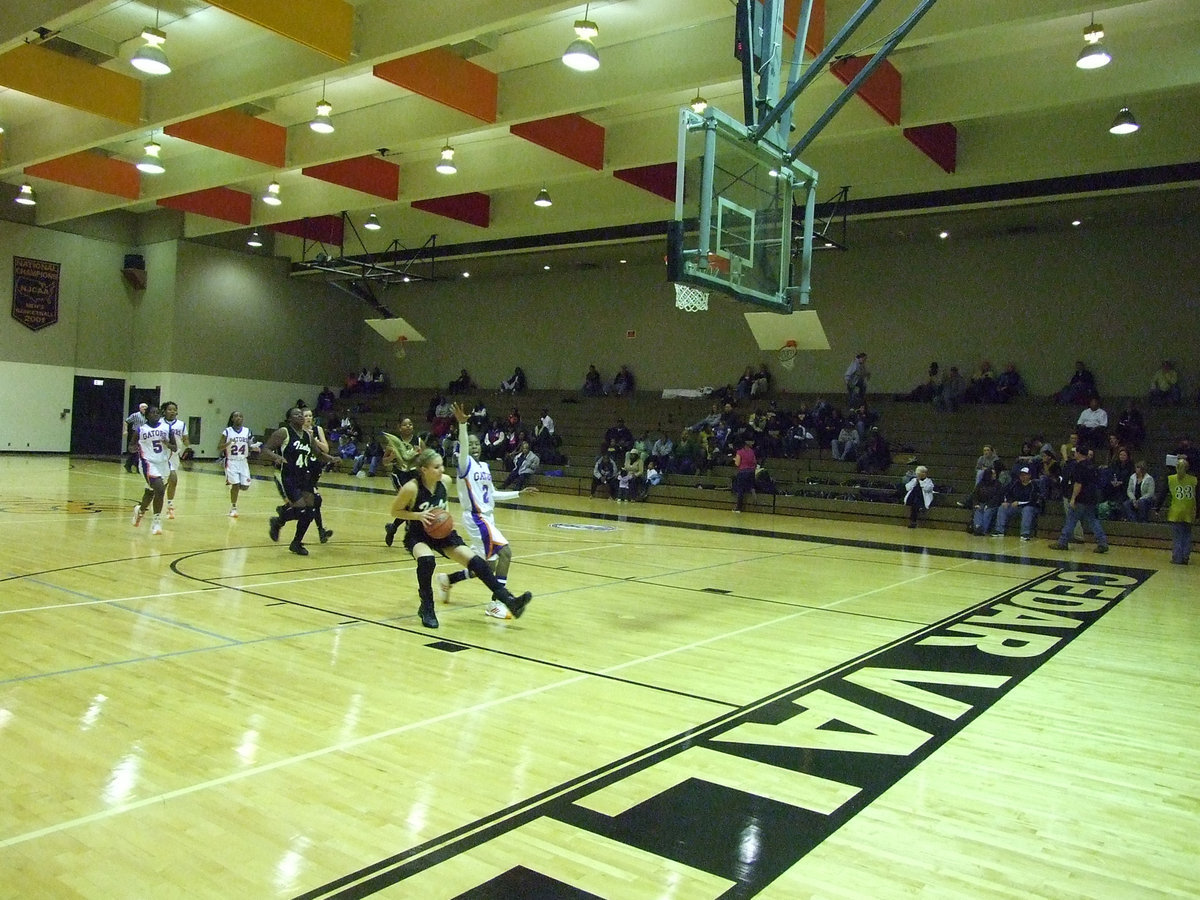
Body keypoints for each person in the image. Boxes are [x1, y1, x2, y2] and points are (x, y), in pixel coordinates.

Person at [391, 446, 532, 628]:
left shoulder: (446, 481)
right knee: (427, 561)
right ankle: (427, 606)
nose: (442, 470)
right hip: (418, 534)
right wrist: (418, 515)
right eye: (436, 467)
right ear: (424, 470)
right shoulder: (411, 488)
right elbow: (394, 511)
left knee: (477, 563)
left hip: (442, 534)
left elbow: (443, 506)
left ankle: (509, 600)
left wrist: (446, 520)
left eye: (442, 465)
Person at [434, 403, 537, 620]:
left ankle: (448, 580)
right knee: (506, 553)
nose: (473, 447)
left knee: (485, 565)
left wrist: (519, 493)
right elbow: (463, 446)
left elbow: (493, 495)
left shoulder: (485, 468)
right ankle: (496, 603)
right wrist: (463, 426)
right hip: (476, 518)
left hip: (487, 518)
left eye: (475, 444)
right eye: (469, 445)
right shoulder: (465, 465)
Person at [260, 407, 329, 556]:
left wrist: (332, 459)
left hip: (303, 476)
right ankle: (278, 521)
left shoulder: (308, 436)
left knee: (311, 509)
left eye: (301, 414)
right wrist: (276, 457)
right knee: (300, 508)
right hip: (287, 475)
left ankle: (296, 543)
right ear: (289, 419)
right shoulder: (284, 432)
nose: (300, 416)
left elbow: (318, 454)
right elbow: (265, 449)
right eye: (296, 414)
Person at [1049, 446, 1108, 553]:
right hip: (1092, 498)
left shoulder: (1079, 467)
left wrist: (1073, 499)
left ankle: (1062, 542)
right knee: (1093, 520)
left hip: (1081, 498)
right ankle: (1102, 542)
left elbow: (1078, 484)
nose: (1074, 454)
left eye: (1075, 452)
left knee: (1071, 519)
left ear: (1079, 453)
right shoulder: (1092, 466)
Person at [131, 405, 176, 535]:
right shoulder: (140, 430)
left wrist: (168, 444)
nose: (155, 415)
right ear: (147, 415)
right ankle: (156, 521)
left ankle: (140, 510)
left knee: (151, 492)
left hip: (163, 464)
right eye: (152, 413)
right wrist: (134, 449)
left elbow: (174, 447)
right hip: (148, 463)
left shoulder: (167, 429)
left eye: (157, 413)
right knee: (160, 490)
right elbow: (131, 446)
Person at [382, 417, 424, 547]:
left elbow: (426, 459)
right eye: (405, 425)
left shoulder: (418, 441)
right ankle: (403, 528)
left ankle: (393, 527)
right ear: (399, 427)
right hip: (399, 474)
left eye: (411, 424)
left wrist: (420, 455)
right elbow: (384, 462)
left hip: (413, 473)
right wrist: (392, 456)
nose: (409, 427)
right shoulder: (394, 442)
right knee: (407, 504)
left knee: (413, 505)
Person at [217, 410, 257, 517]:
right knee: (236, 485)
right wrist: (228, 443)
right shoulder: (227, 431)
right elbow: (219, 447)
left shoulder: (247, 431)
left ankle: (235, 485)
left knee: (245, 486)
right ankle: (233, 508)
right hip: (231, 461)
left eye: (240, 416)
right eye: (236, 416)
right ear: (232, 419)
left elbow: (250, 444)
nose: (239, 418)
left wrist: (254, 447)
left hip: (243, 461)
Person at [1163, 455, 1196, 565]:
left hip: (1176, 511)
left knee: (1177, 536)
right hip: (1189, 510)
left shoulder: (1171, 478)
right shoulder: (1193, 479)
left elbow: (1163, 494)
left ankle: (1177, 557)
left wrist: (1158, 507)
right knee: (1187, 535)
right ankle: (1186, 557)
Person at [994, 466, 1042, 541]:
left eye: (1025, 475)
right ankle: (999, 531)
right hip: (1016, 507)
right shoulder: (1015, 484)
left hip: (1031, 507)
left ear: (1029, 476)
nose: (1022, 477)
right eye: (1021, 475)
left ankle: (1025, 533)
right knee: (1002, 507)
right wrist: (1007, 502)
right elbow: (1007, 493)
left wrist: (1019, 503)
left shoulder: (1034, 485)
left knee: (1027, 510)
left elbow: (1032, 500)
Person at [161, 401, 190, 519]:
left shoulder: (181, 424)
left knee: (171, 481)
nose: (172, 412)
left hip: (174, 456)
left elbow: (185, 439)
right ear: (164, 411)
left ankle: (169, 504)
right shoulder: (159, 423)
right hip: (162, 455)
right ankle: (164, 503)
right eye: (169, 409)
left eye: (174, 409)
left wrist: (188, 446)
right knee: (171, 478)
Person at [967, 466, 1004, 536]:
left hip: (992, 505)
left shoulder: (998, 484)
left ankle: (983, 529)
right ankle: (977, 527)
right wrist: (976, 504)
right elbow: (975, 495)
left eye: (995, 474)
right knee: (978, 510)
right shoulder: (980, 484)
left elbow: (998, 497)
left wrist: (989, 504)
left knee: (988, 512)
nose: (995, 475)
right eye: (993, 474)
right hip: (981, 503)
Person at [731, 437, 757, 512]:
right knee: (751, 486)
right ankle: (754, 497)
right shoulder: (752, 452)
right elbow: (754, 462)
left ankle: (739, 507)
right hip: (751, 472)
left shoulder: (739, 452)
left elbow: (737, 463)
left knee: (740, 490)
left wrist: (735, 459)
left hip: (742, 472)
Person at [124, 402, 148, 472]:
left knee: (141, 451)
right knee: (134, 450)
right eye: (143, 407)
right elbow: (126, 421)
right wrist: (125, 430)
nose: (144, 409)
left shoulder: (148, 416)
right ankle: (132, 465)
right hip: (135, 433)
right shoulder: (135, 415)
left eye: (146, 408)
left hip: (144, 434)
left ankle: (133, 465)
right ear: (140, 408)